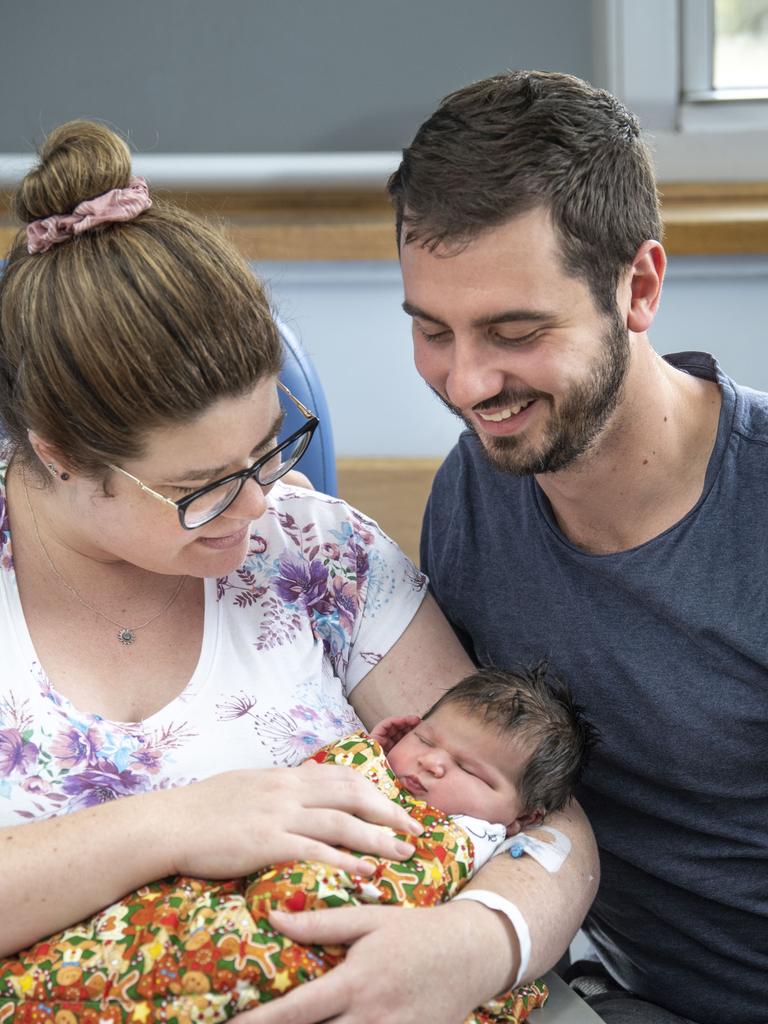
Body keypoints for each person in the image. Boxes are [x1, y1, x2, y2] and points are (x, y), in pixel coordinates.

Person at [0, 119, 599, 1024]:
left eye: (269, 447)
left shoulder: (321, 555)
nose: (258, 509)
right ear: (61, 456)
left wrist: (475, 942)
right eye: (201, 490)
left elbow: (544, 816)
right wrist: (174, 823)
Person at [386, 69, 768, 1024]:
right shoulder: (475, 490)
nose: (468, 384)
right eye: (434, 331)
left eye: (515, 332)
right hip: (592, 988)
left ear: (637, 287)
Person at [1, 665, 595, 1023]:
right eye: (427, 738)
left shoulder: (491, 843)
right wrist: (370, 754)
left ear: (523, 817)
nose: (434, 764)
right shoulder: (367, 771)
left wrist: (476, 946)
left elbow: (557, 859)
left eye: (471, 770)